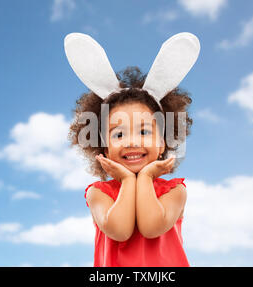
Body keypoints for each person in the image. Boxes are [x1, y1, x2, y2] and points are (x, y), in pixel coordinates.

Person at [65, 32, 200, 266]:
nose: (131, 142)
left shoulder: (174, 192)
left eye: (144, 131)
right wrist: (128, 181)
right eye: (118, 134)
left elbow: (151, 227)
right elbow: (120, 230)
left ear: (162, 144)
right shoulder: (98, 193)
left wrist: (145, 177)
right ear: (105, 149)